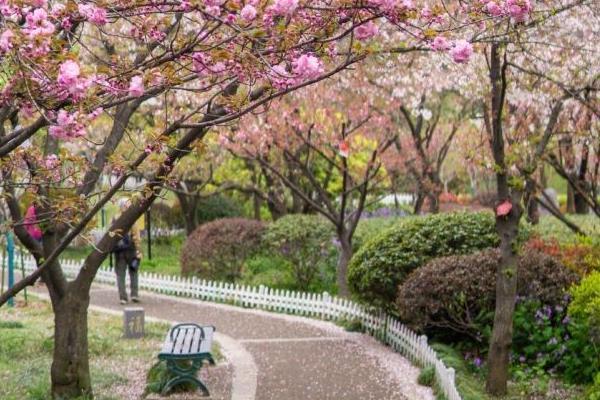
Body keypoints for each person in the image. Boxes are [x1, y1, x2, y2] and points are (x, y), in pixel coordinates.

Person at [113, 199, 143, 305]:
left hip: (119, 252)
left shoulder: (114, 219)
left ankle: (123, 297)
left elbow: (110, 235)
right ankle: (134, 294)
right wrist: (138, 250)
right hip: (131, 250)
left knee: (120, 274)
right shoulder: (132, 218)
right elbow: (136, 236)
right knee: (133, 272)